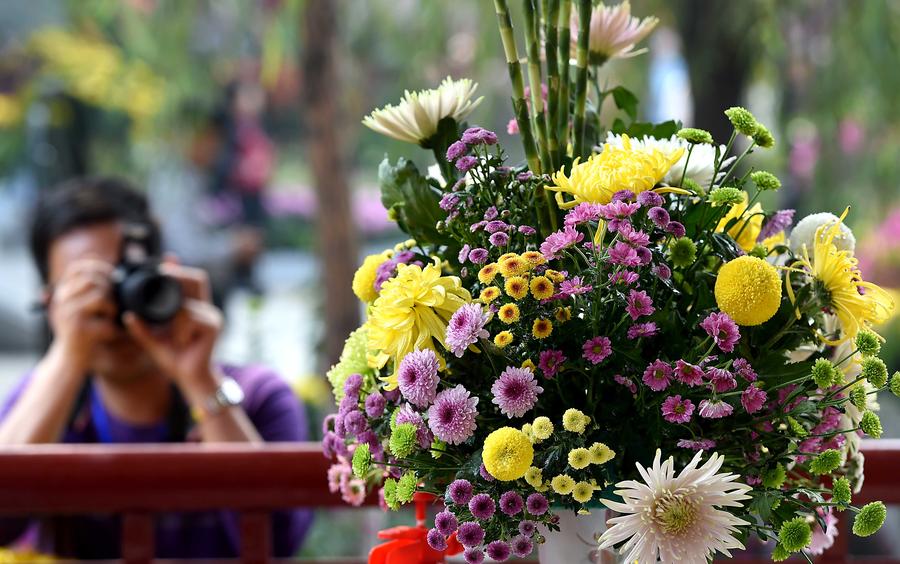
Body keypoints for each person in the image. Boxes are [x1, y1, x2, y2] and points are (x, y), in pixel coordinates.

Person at [0, 177, 312, 559]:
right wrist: (67, 356)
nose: (112, 309)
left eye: (124, 281)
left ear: (166, 274)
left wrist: (200, 379)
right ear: (50, 305)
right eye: (84, 290)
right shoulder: (41, 403)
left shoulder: (260, 397)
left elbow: (277, 541)